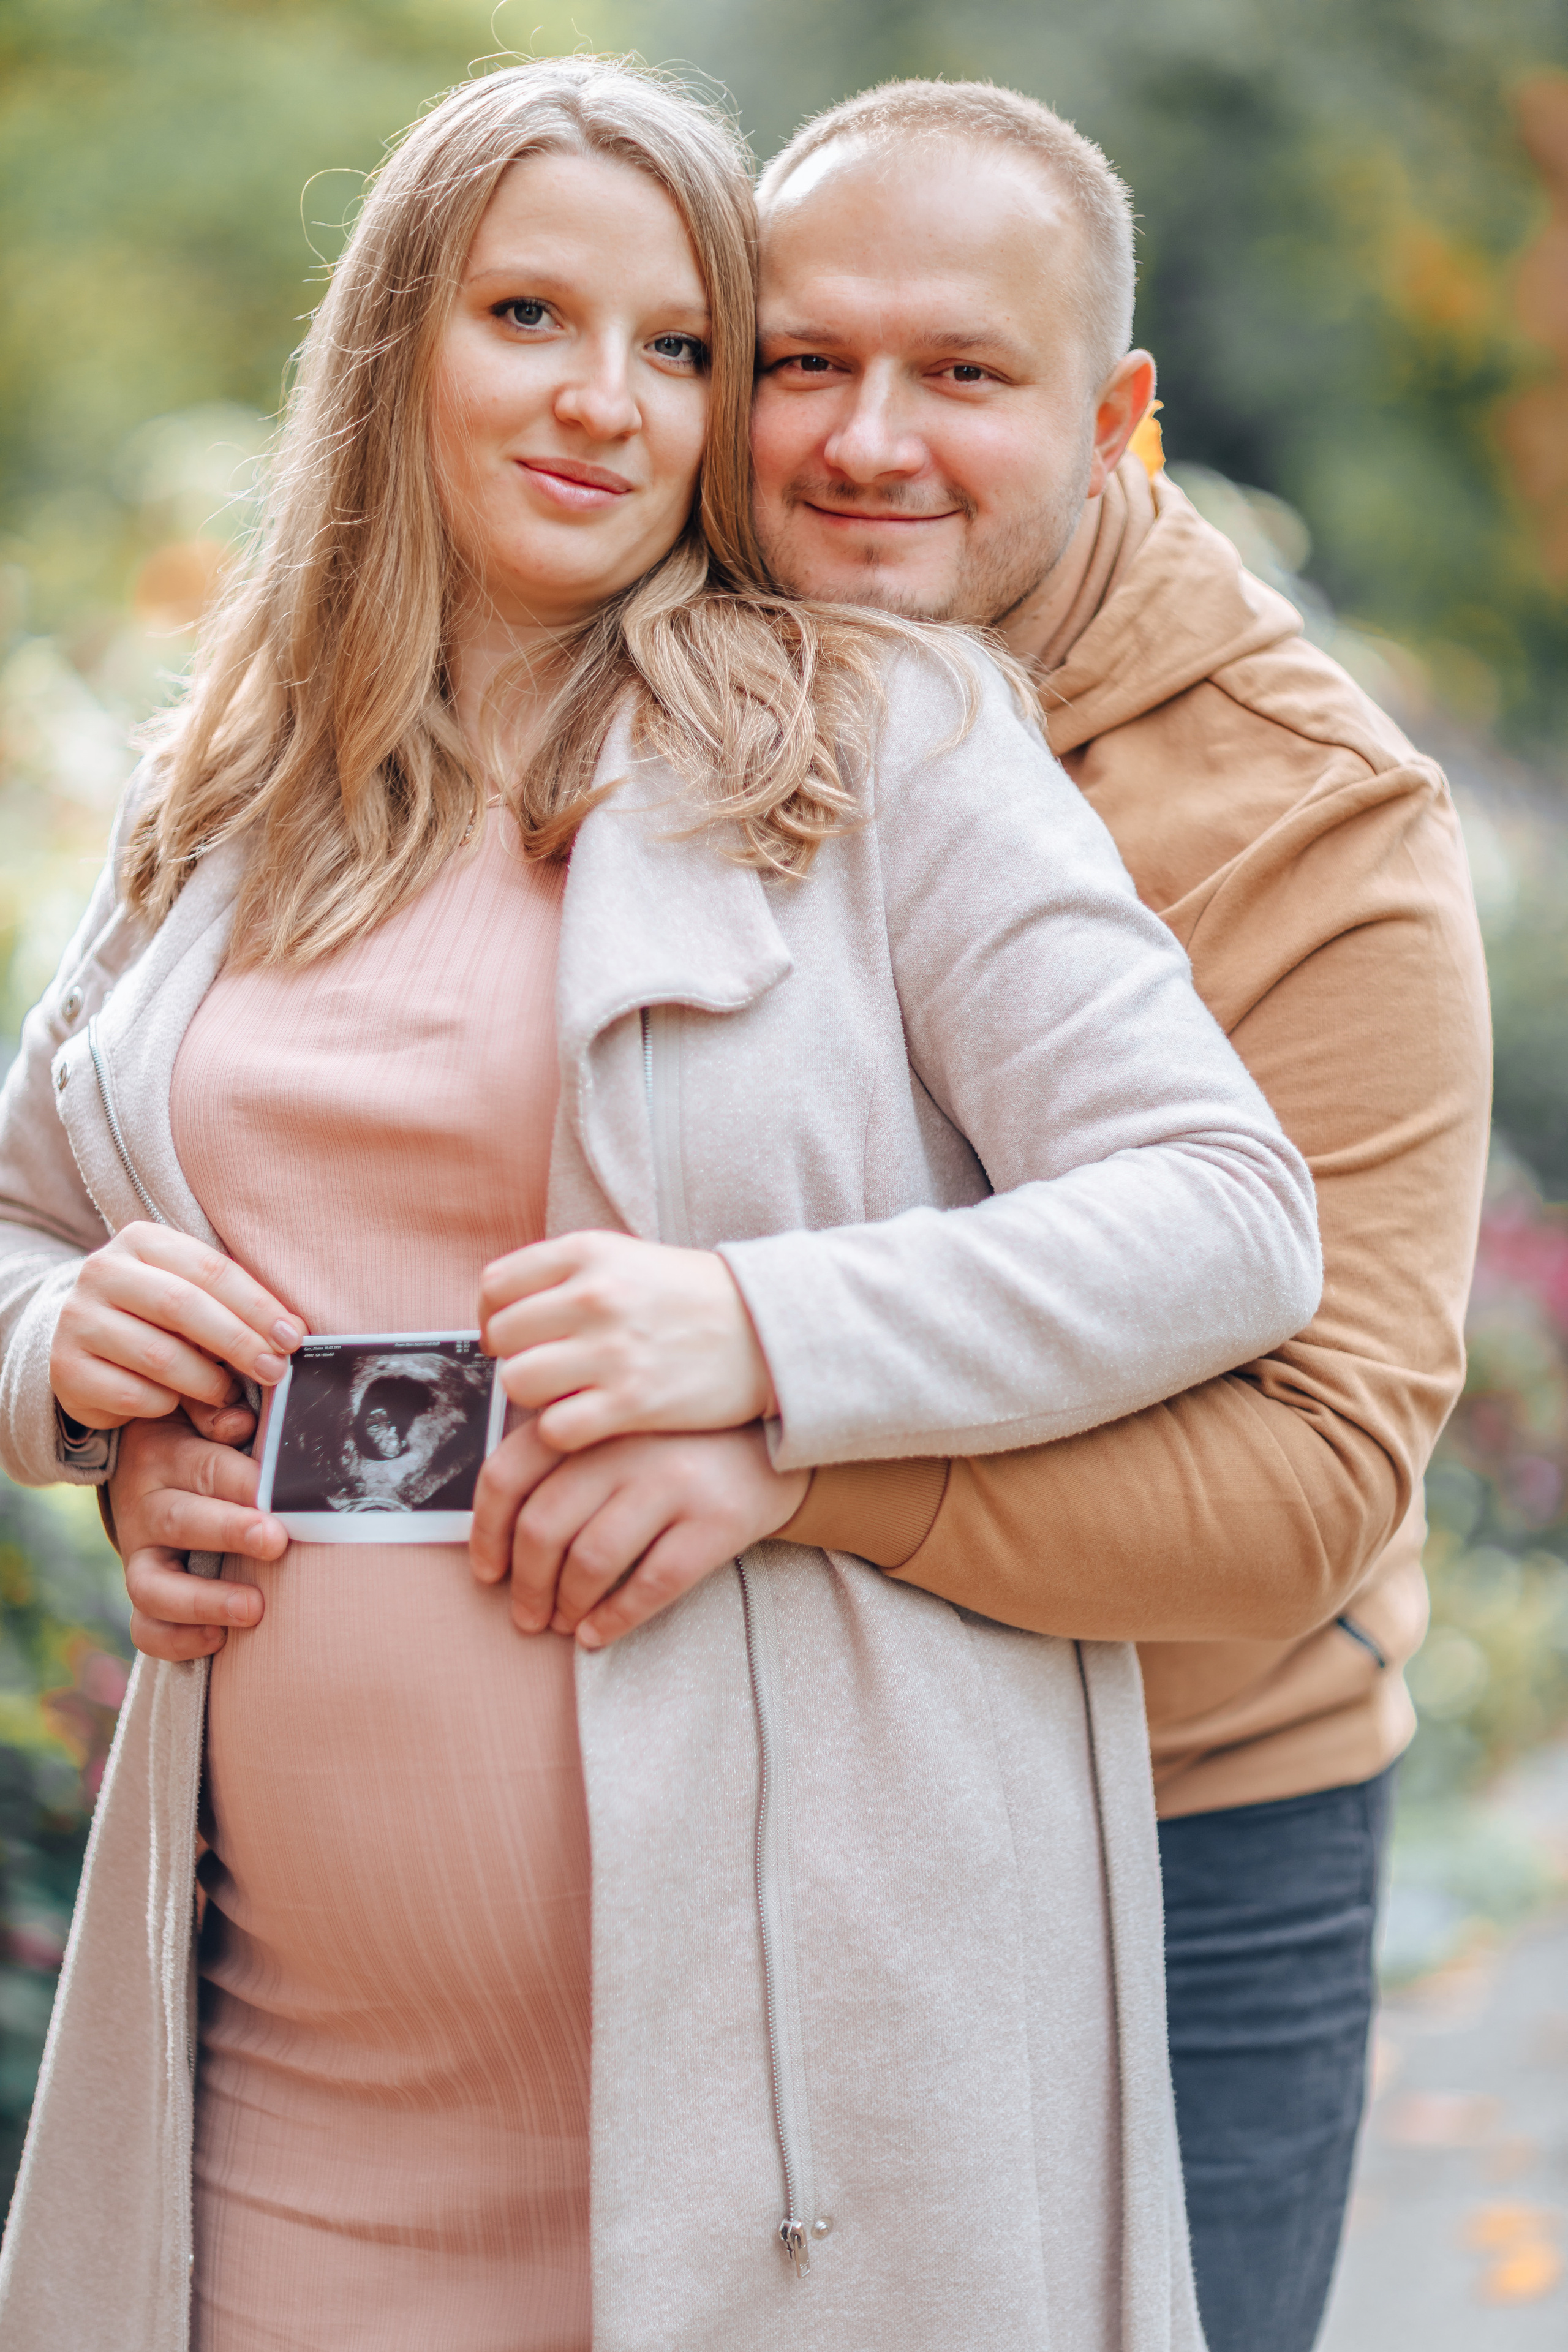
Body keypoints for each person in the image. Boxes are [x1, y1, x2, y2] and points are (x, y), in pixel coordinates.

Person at [0, 58, 1325, 2352]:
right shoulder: (229, 795)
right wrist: (57, 1357)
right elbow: (26, 1218)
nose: (607, 402)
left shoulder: (874, 735)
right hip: (287, 2100)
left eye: (688, 345)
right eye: (529, 315)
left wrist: (767, 1335)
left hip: (797, 2122)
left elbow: (1226, 1210)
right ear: (397, 339)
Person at [417, 79, 1485, 2352]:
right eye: (801, 359)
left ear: (1116, 418)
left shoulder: (1315, 827)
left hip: (1185, 1818)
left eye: (965, 377)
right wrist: (211, 1443)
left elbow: (1310, 1482)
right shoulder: (626, 655)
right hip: (709, 1778)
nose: (861, 444)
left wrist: (791, 1448)